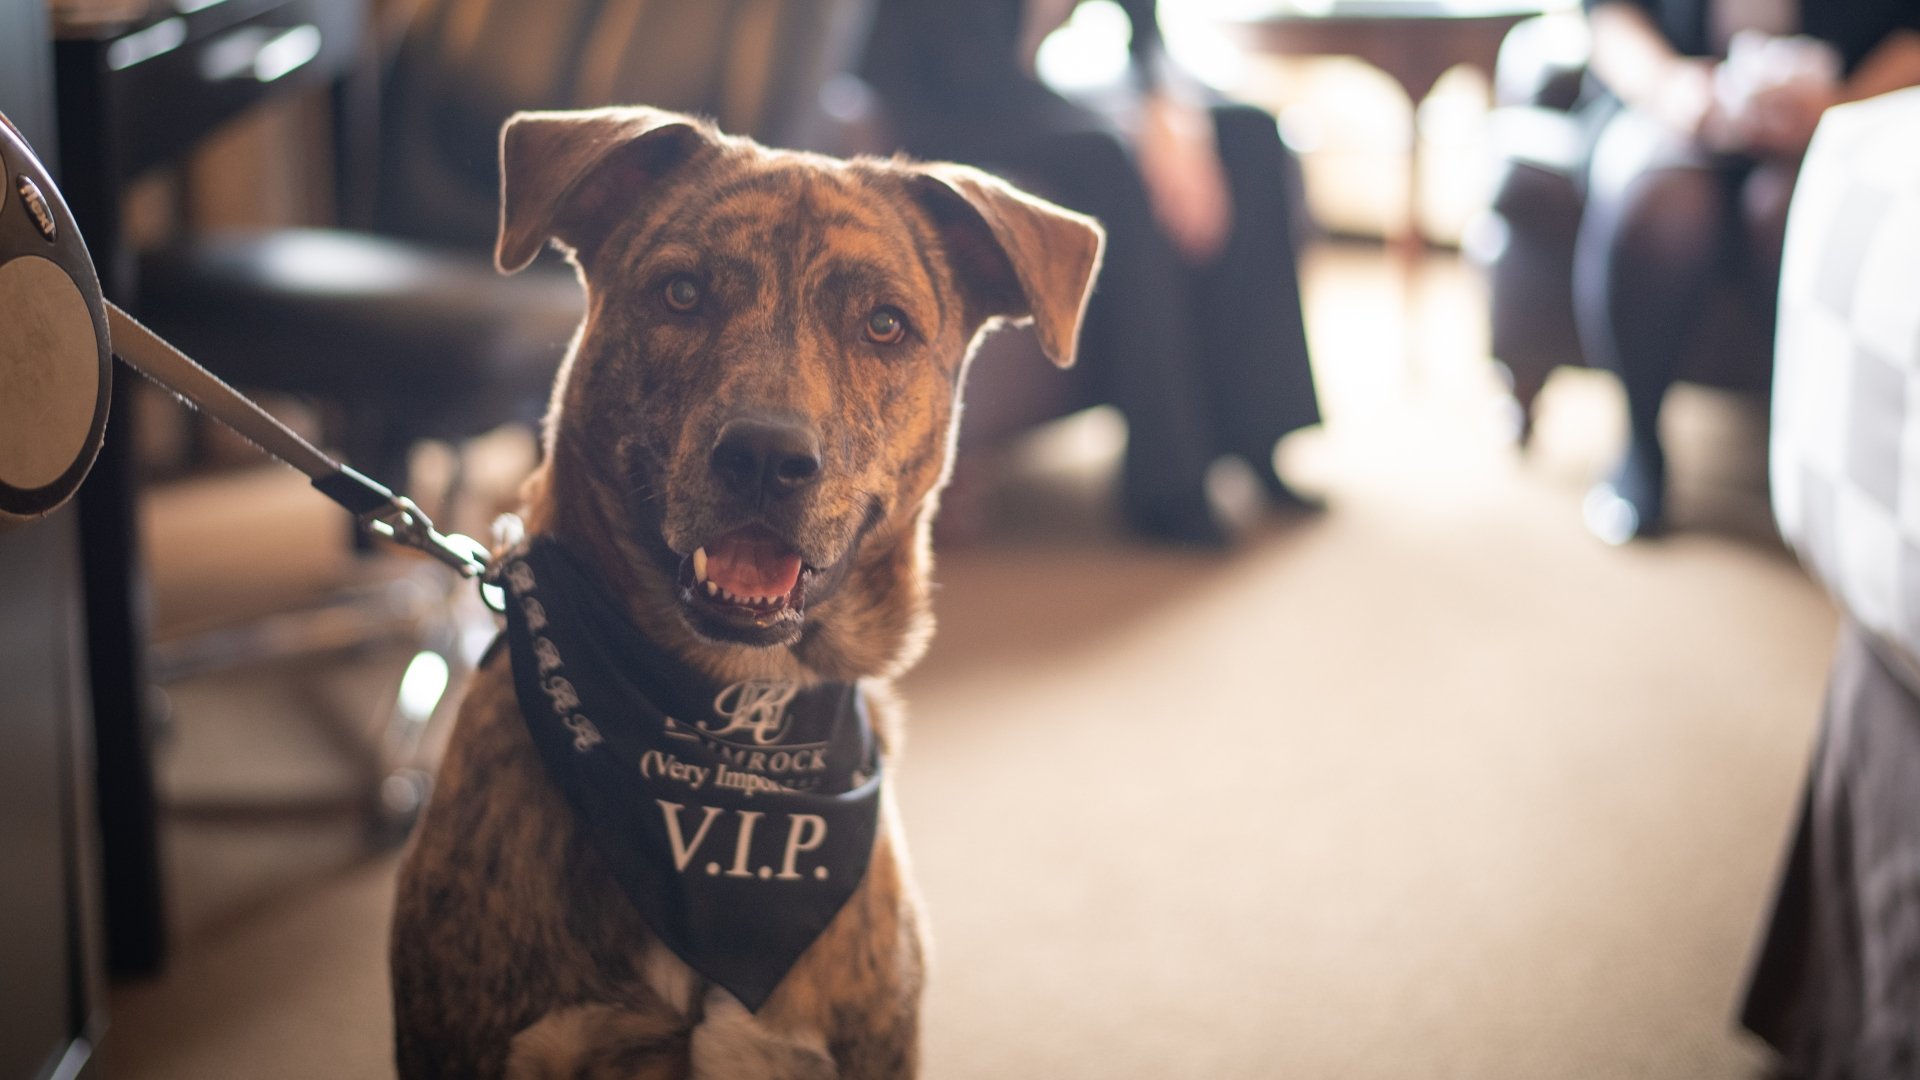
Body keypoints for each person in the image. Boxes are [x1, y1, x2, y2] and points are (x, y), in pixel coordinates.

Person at [861, 0, 1324, 547]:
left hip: (1018, 90)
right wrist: (1127, 130)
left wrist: (1167, 114)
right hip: (938, 99)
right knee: (1111, 156)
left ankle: (1258, 435)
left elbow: (1144, 27)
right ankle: (1167, 485)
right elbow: (966, 69)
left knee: (1250, 134)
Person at [1576, 0, 1920, 541]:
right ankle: (1640, 444)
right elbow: (1609, 12)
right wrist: (1673, 88)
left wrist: (1842, 106)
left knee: (1800, 216)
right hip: (1675, 102)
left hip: (1844, 111)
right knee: (1661, 209)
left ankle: (1808, 460)